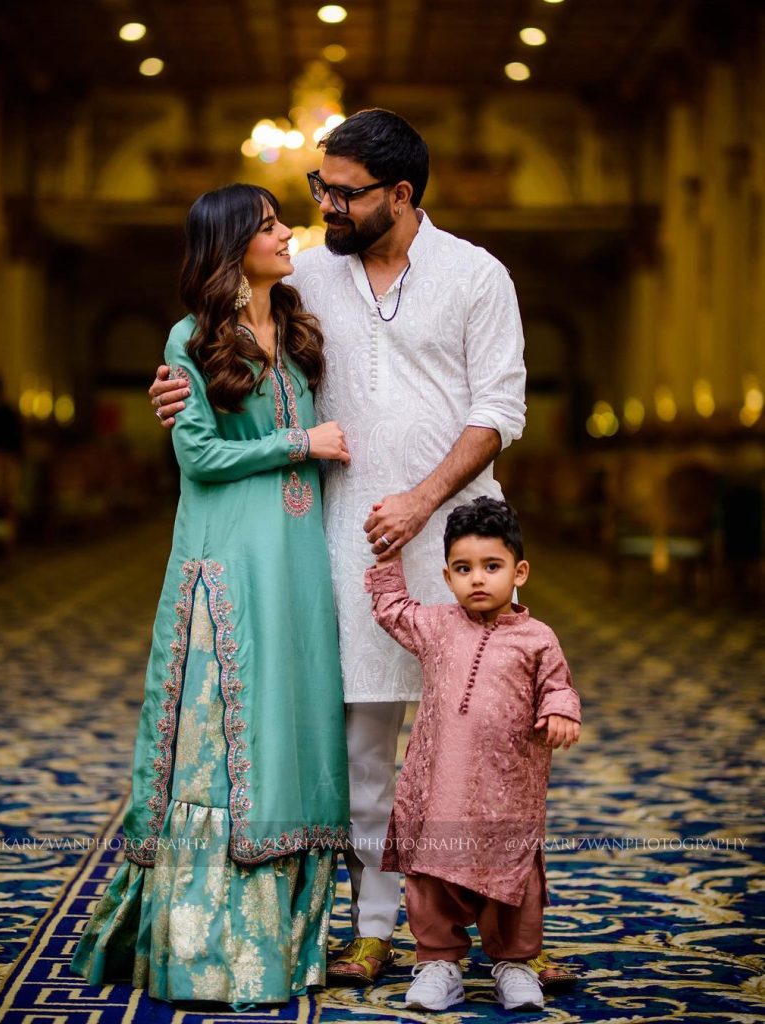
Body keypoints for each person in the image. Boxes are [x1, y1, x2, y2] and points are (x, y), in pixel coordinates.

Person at [150, 108, 575, 991]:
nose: (323, 207)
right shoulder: (307, 273)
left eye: (341, 194)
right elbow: (238, 346)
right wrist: (179, 385)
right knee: (364, 746)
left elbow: (501, 408)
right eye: (318, 189)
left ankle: (505, 932)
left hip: (459, 546)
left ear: (400, 194)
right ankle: (378, 929)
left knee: (487, 744)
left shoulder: (475, 274)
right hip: (341, 542)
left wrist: (424, 501)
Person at [72, 184, 350, 1006]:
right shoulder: (191, 338)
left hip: (299, 555)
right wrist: (302, 441)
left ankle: (293, 942)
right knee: (232, 731)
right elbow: (197, 457)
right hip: (227, 557)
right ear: (230, 244)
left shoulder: (297, 325)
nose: (285, 231)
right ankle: (210, 946)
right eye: (268, 224)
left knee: (293, 722)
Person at [365, 498, 581, 1012]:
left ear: (519, 571)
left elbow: (558, 686)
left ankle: (514, 964)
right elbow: (391, 609)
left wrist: (561, 711)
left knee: (512, 879)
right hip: (440, 789)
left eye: (492, 566)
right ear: (446, 575)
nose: (477, 579)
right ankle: (439, 963)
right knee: (431, 876)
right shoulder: (436, 625)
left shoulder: (537, 639)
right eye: (463, 569)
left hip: (508, 794)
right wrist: (388, 556)